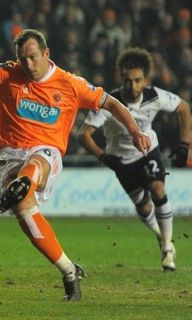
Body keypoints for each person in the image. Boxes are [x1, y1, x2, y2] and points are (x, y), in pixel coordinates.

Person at [0, 21, 151, 301]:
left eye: (33, 57)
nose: (28, 64)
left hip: (46, 152)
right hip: (9, 155)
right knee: (25, 212)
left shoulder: (71, 84)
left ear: (47, 54)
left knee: (35, 164)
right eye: (23, 58)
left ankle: (24, 183)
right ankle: (69, 270)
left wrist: (135, 131)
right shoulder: (9, 72)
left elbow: (112, 103)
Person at [77, 47, 191, 272]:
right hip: (121, 161)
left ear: (145, 80)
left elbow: (184, 108)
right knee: (143, 205)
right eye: (128, 80)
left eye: (138, 80)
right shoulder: (109, 102)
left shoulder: (155, 96)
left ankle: (168, 249)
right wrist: (104, 157)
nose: (133, 86)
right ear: (122, 78)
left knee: (158, 190)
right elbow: (83, 134)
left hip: (148, 151)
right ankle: (161, 235)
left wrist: (184, 144)